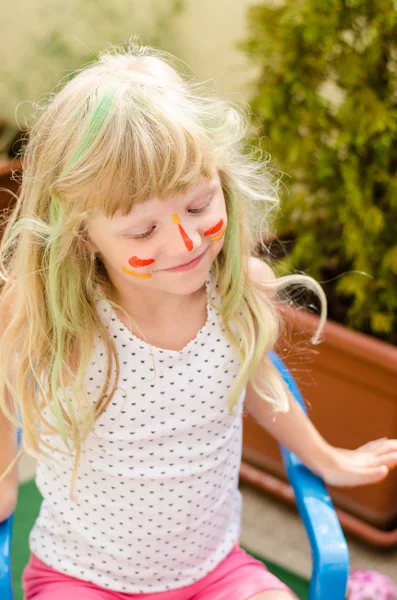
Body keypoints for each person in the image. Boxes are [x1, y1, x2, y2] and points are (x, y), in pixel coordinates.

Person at [0, 41, 396, 600]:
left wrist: (325, 458)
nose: (184, 243)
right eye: (142, 232)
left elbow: (256, 380)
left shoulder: (239, 288)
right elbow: (5, 393)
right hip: (80, 578)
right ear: (81, 234)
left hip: (217, 573)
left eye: (199, 205)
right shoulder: (53, 310)